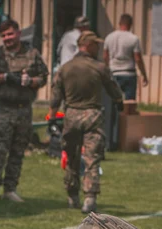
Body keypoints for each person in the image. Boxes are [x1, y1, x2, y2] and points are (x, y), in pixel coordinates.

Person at [52, 31, 124, 213]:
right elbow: (114, 90)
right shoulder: (99, 68)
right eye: (96, 45)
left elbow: (55, 96)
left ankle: (72, 195)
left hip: (71, 115)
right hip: (92, 115)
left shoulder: (65, 68)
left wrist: (53, 115)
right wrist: (119, 102)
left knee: (72, 157)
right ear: (88, 45)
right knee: (92, 158)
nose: (98, 48)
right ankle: (90, 197)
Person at [0, 19, 47, 205]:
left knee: (18, 151)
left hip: (24, 110)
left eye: (10, 34)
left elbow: (43, 76)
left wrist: (31, 82)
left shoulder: (32, 54)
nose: (7, 38)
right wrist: (4, 77)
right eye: (4, 35)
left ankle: (10, 189)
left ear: (18, 33)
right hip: (3, 109)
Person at [103, 13, 149, 101]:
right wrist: (144, 74)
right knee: (130, 102)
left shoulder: (109, 37)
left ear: (119, 23)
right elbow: (138, 59)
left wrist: (107, 69)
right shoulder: (133, 38)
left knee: (113, 101)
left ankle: (115, 114)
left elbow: (105, 56)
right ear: (130, 25)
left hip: (114, 72)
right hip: (129, 73)